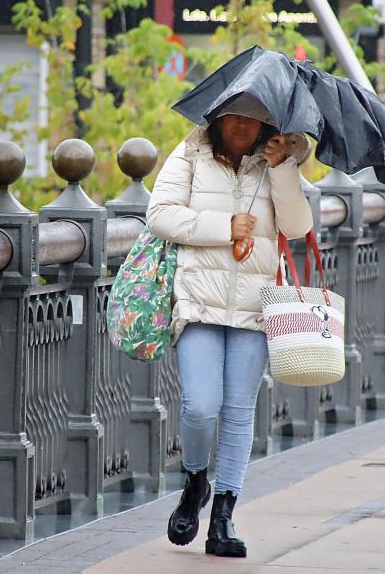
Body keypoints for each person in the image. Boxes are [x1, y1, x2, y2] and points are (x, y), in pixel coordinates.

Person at [146, 96, 313, 558]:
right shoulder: (190, 155)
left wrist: (283, 169)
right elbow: (159, 215)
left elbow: (298, 226)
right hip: (199, 303)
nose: (243, 124)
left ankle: (224, 515)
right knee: (200, 406)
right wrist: (226, 226)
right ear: (217, 117)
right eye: (235, 115)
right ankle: (196, 479)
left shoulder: (276, 161)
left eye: (255, 118)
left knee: (240, 410)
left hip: (255, 307)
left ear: (268, 124)